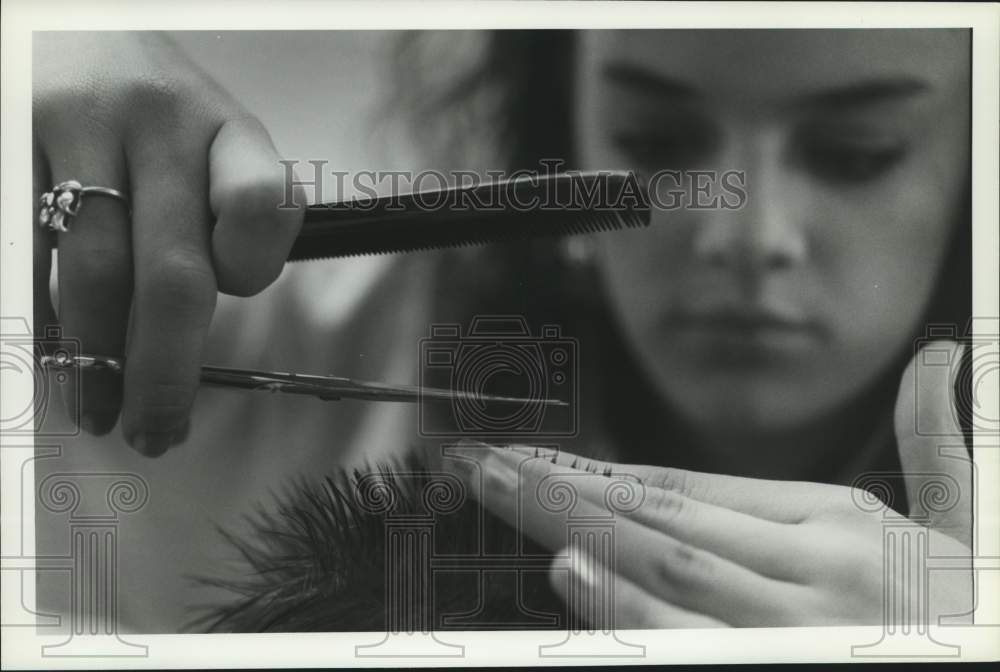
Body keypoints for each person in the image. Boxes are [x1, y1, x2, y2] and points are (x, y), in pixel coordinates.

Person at [31, 29, 973, 632]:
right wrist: (44, 56)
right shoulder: (232, 342)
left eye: (858, 154)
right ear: (565, 118)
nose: (746, 238)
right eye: (653, 138)